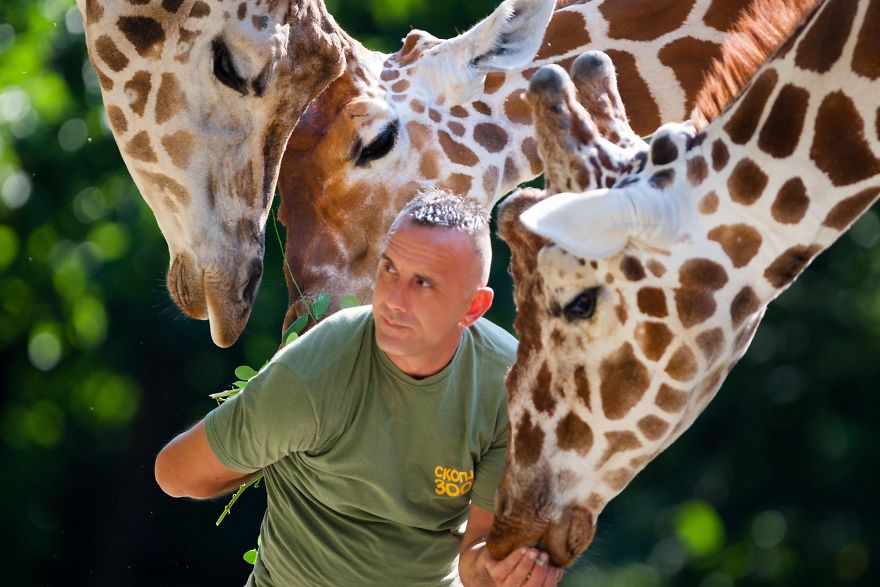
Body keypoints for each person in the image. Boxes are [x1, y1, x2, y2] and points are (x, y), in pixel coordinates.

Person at [154, 190, 563, 586]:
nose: (394, 300)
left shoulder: (512, 387)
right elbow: (176, 474)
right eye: (389, 270)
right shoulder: (317, 372)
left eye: (423, 283)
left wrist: (507, 571)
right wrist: (264, 429)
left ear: (473, 307)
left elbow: (477, 560)